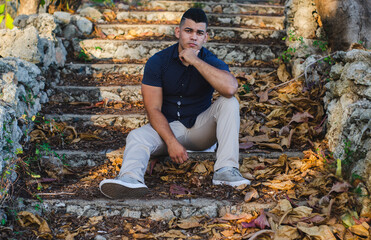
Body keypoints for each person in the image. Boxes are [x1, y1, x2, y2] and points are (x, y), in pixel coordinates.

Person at [99, 8, 250, 199]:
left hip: (199, 130)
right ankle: (130, 180)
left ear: (206, 38)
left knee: (229, 103)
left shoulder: (209, 60)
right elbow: (153, 109)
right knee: (137, 136)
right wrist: (171, 142)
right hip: (168, 129)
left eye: (199, 33)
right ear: (178, 32)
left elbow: (230, 88)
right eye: (188, 31)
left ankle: (226, 170)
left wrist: (195, 61)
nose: (193, 37)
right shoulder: (158, 62)